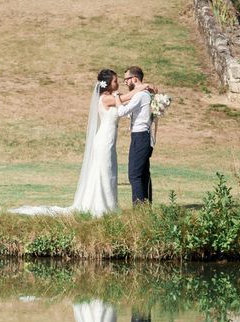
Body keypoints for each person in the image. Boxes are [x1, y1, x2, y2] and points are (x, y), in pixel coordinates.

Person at [10, 69, 149, 217]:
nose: (118, 83)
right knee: (105, 171)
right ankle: (101, 207)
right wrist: (142, 87)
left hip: (109, 140)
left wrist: (140, 91)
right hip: (104, 141)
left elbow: (125, 100)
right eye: (115, 81)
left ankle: (108, 205)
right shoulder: (105, 98)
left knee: (109, 171)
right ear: (107, 84)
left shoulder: (113, 97)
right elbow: (127, 97)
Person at [114, 66, 154, 205]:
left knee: (135, 174)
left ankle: (139, 207)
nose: (125, 82)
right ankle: (146, 206)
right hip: (142, 136)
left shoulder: (140, 95)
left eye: (126, 79)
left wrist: (116, 97)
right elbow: (130, 113)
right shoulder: (143, 95)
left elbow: (122, 112)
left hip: (140, 136)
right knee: (143, 173)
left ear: (134, 78)